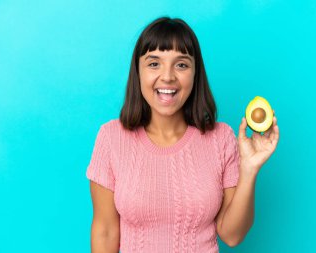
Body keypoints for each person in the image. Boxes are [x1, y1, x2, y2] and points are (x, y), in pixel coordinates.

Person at [86, 16, 279, 253]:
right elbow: (105, 230)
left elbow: (232, 235)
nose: (167, 76)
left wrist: (249, 169)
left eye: (181, 64)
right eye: (154, 63)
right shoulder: (111, 137)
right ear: (138, 71)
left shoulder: (221, 138)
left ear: (196, 74)